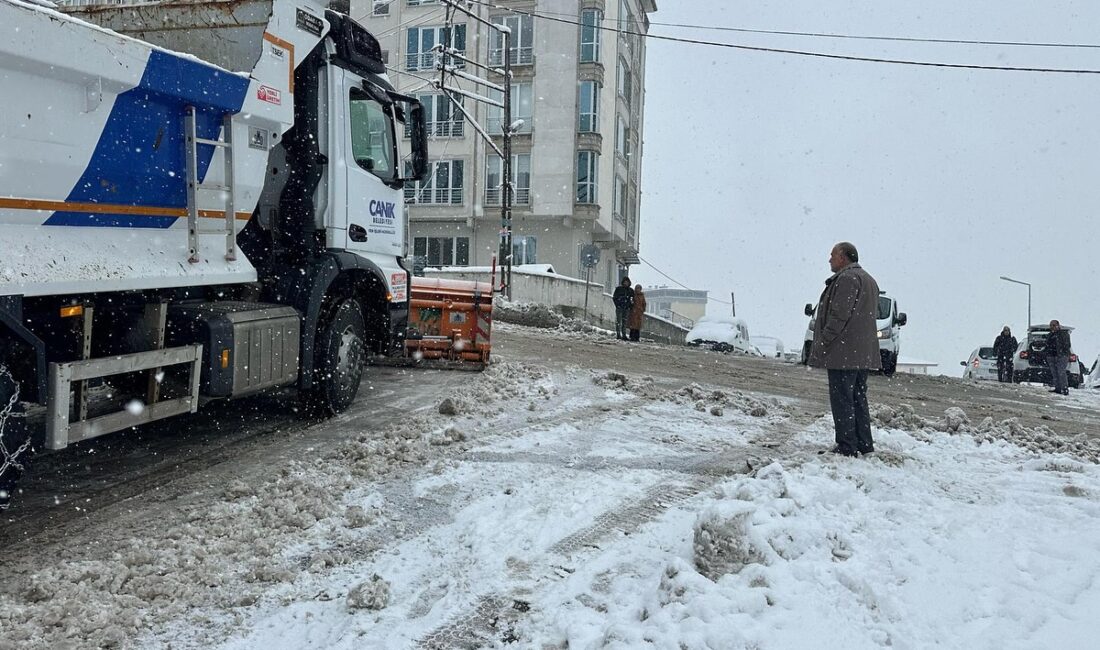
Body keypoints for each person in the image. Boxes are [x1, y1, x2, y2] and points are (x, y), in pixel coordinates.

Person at [808, 242, 881, 457]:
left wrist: (822, 342)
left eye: (832, 255)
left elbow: (839, 316)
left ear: (843, 258)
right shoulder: (869, 280)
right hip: (861, 352)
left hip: (844, 353)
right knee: (858, 398)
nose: (829, 259)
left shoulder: (848, 279)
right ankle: (864, 444)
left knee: (842, 399)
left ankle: (847, 446)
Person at [1046, 320, 1072, 395]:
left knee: (1061, 371)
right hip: (1051, 356)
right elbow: (1047, 344)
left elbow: (1067, 345)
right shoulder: (1050, 335)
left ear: (1058, 325)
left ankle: (1064, 388)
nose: (1052, 327)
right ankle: (1058, 388)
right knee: (1054, 373)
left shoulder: (1063, 334)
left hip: (1061, 356)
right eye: (1051, 325)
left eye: (1054, 325)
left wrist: (1062, 351)